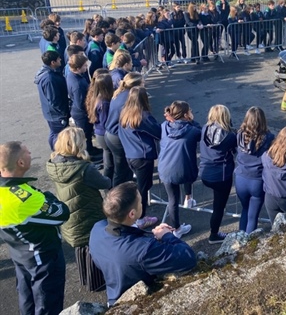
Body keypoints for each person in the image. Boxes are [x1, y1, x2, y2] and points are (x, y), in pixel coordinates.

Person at [89, 181, 197, 307]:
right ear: (132, 214)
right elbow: (188, 257)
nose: (142, 204)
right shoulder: (143, 249)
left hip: (113, 295)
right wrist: (166, 235)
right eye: (140, 202)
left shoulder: (97, 228)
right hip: (136, 303)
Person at [0, 141, 70, 315]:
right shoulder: (27, 199)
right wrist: (47, 196)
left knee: (27, 297)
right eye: (27, 152)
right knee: (47, 303)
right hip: (42, 257)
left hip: (18, 251)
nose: (31, 152)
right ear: (20, 163)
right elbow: (61, 213)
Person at [46, 127, 111, 291]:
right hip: (87, 212)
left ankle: (86, 279)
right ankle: (98, 283)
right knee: (93, 246)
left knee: (80, 247)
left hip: (70, 213)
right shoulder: (84, 169)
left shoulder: (54, 164)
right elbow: (105, 183)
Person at [119, 86, 161, 230]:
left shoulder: (124, 113)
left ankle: (137, 215)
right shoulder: (142, 116)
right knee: (143, 188)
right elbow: (158, 132)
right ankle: (140, 218)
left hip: (130, 155)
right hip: (143, 156)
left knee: (140, 186)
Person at [158, 101, 202, 238]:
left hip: (165, 168)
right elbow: (201, 131)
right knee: (186, 169)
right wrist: (191, 121)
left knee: (172, 199)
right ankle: (188, 197)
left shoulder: (164, 126)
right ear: (185, 114)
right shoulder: (192, 130)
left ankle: (176, 228)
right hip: (184, 170)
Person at [199, 105, 237, 244]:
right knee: (219, 206)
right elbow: (235, 151)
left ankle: (215, 231)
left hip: (205, 173)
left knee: (217, 200)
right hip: (221, 176)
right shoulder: (230, 136)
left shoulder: (204, 129)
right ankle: (214, 234)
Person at [234, 107, 275, 234]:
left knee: (244, 210)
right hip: (257, 180)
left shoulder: (239, 135)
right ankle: (247, 243)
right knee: (253, 216)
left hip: (240, 178)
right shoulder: (268, 137)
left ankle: (239, 239)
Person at [104, 72, 143, 188]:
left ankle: (123, 189)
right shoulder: (129, 98)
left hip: (111, 134)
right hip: (117, 136)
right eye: (142, 83)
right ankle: (117, 196)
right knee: (120, 169)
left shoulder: (120, 93)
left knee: (120, 167)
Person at [35, 50, 70, 150]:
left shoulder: (47, 73)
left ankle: (54, 149)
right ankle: (58, 151)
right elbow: (54, 100)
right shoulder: (49, 78)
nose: (60, 60)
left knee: (53, 133)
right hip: (56, 114)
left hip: (50, 113)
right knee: (59, 135)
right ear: (53, 62)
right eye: (58, 59)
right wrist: (63, 113)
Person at [66, 52, 99, 157]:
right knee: (85, 134)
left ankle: (91, 149)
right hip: (82, 114)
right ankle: (89, 154)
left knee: (87, 135)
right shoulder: (78, 84)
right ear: (78, 68)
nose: (86, 67)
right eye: (85, 66)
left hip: (79, 112)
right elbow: (81, 103)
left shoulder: (73, 75)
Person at [86, 70, 115, 180]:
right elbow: (106, 122)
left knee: (107, 157)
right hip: (105, 134)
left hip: (99, 132)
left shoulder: (95, 97)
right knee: (110, 161)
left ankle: (108, 180)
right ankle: (109, 182)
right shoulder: (104, 103)